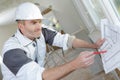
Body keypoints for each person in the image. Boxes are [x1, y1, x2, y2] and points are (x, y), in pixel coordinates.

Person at [1, 2, 105, 80]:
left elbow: (68, 40)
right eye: (33, 23)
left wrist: (93, 45)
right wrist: (75, 64)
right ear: (21, 26)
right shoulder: (11, 51)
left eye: (39, 21)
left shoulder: (42, 31)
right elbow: (40, 76)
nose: (39, 27)